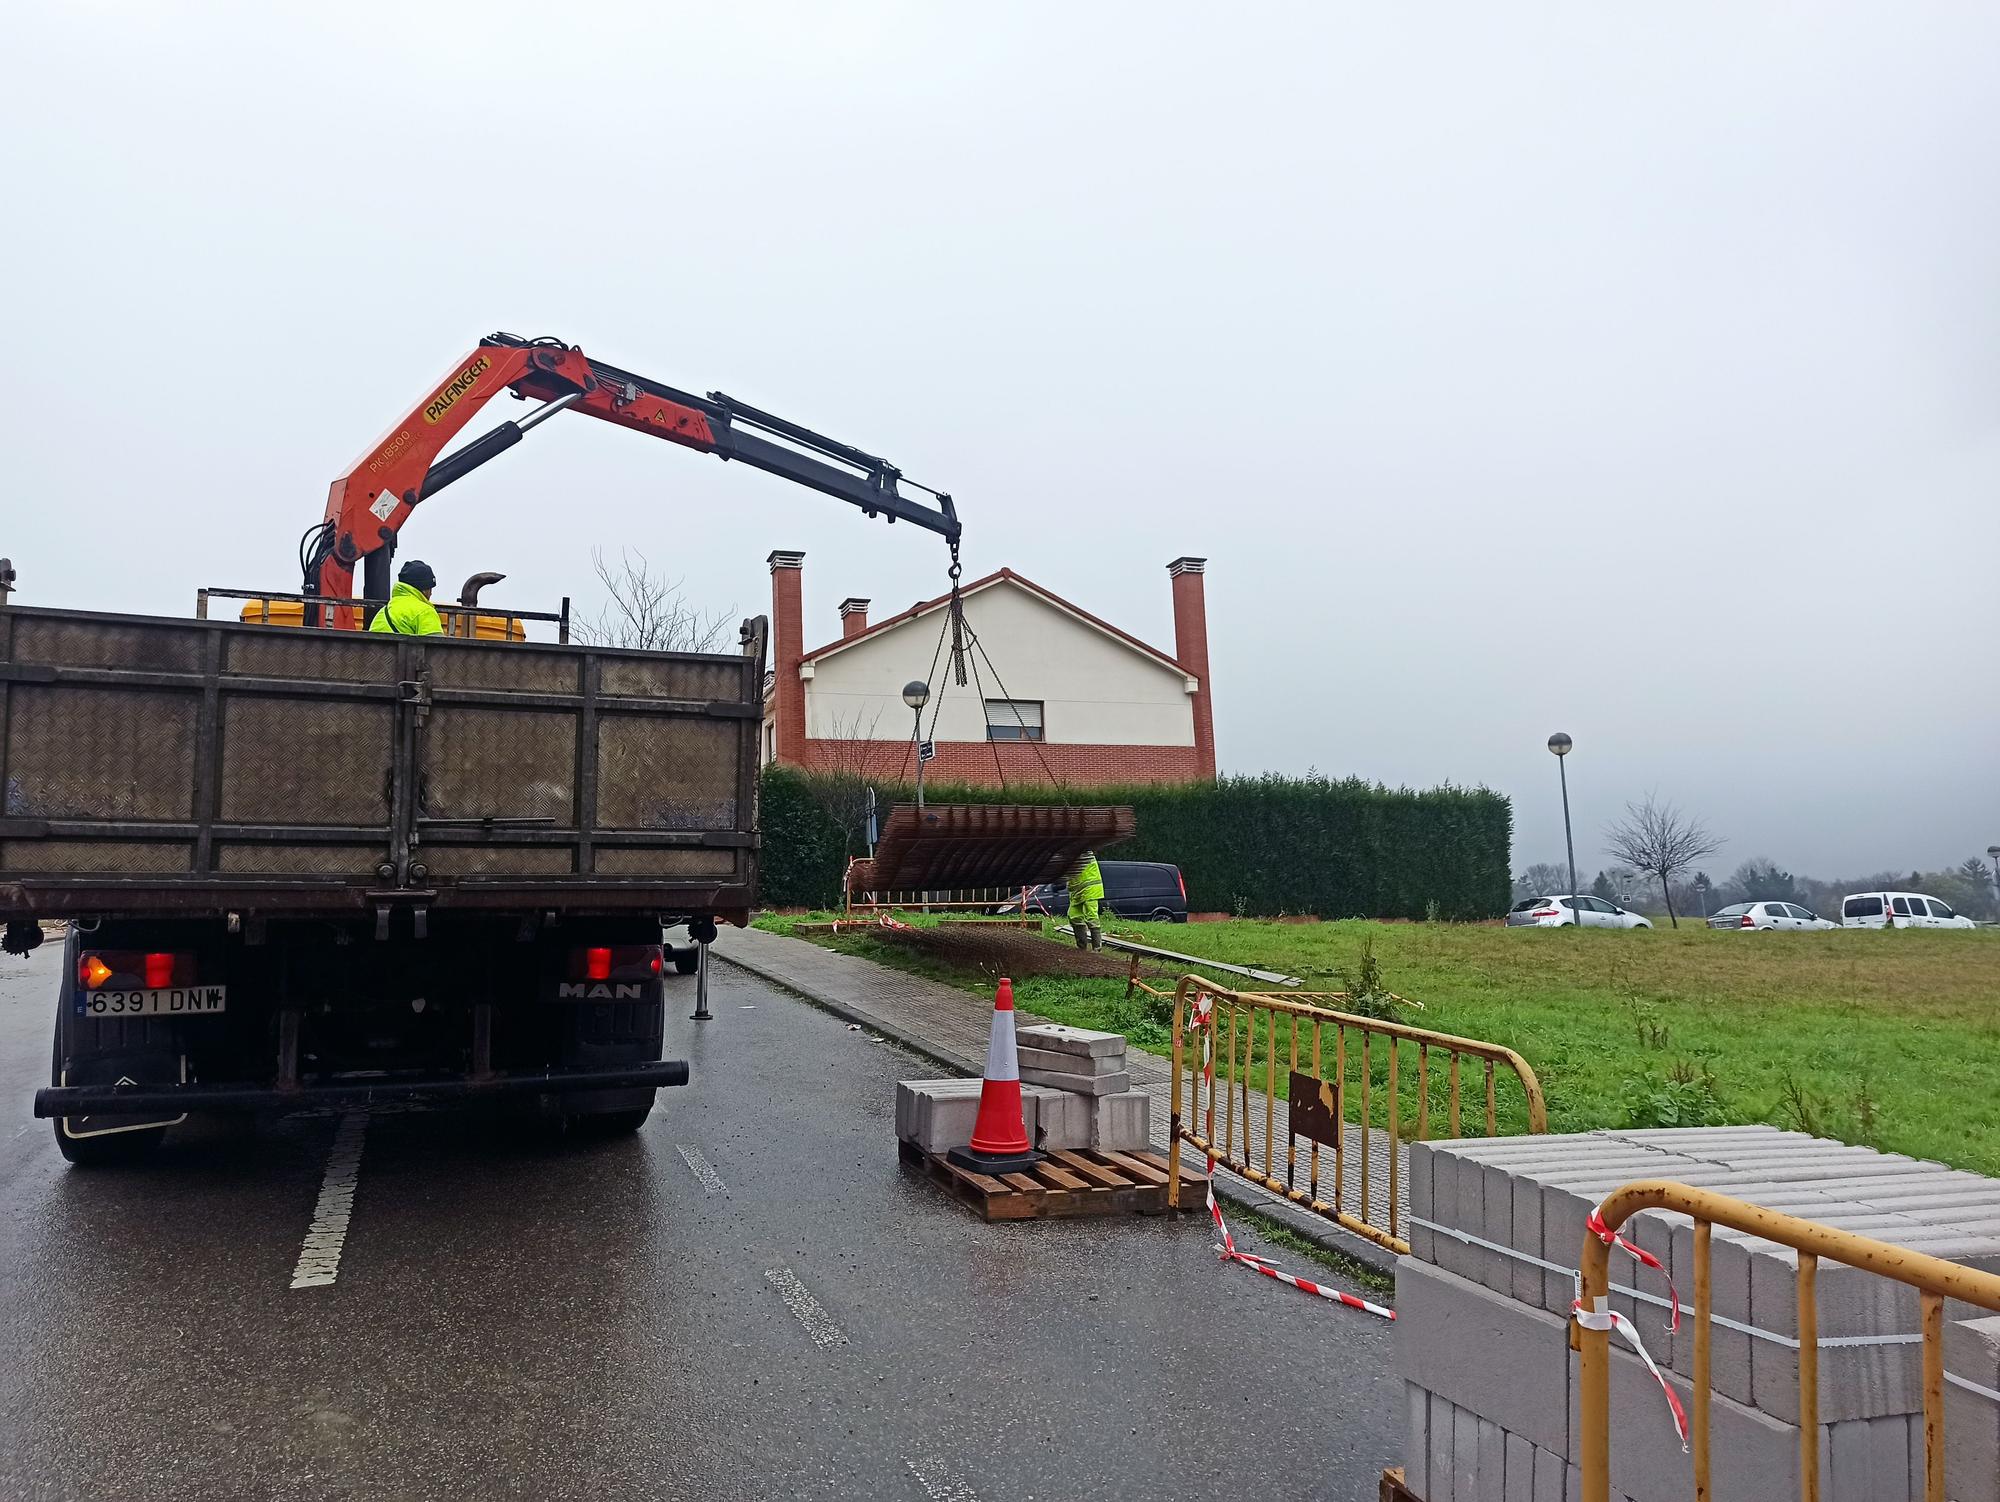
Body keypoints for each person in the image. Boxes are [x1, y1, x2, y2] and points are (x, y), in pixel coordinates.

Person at [367, 560, 446, 636]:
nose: (431, 593)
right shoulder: (425, 612)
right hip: (404, 650)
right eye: (430, 589)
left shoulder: (383, 611)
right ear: (424, 589)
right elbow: (437, 648)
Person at [1067, 849, 1105, 951]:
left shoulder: (1084, 852)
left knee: (1091, 916)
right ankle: (1081, 947)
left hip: (1090, 889)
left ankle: (1097, 948)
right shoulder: (1069, 853)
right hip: (1077, 890)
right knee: (1074, 916)